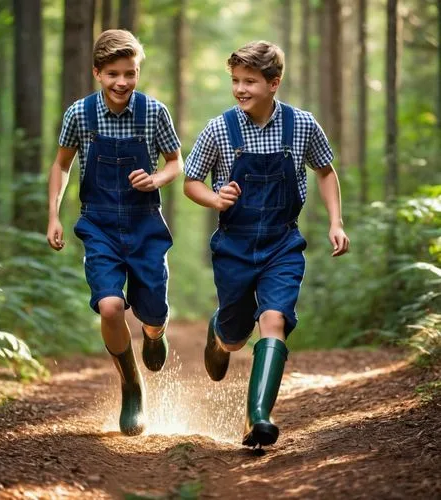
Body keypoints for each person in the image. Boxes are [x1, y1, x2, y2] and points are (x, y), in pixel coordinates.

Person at [184, 41, 349, 448]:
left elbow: (326, 171)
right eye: (235, 81)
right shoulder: (219, 128)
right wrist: (214, 198)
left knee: (273, 320)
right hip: (234, 246)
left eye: (250, 82)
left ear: (274, 83)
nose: (240, 89)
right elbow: (191, 181)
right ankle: (220, 334)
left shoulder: (303, 125)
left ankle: (258, 416)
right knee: (238, 336)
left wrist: (335, 221)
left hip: (282, 244)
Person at [47, 29, 183, 436]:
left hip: (145, 223)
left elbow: (176, 161)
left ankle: (155, 333)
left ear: (137, 71)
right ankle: (130, 384)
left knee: (152, 311)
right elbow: (62, 166)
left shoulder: (154, 112)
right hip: (99, 224)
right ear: (97, 73)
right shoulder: (79, 114)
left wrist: (157, 179)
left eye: (129, 73)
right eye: (112, 74)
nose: (122, 82)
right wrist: (53, 215)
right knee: (109, 306)